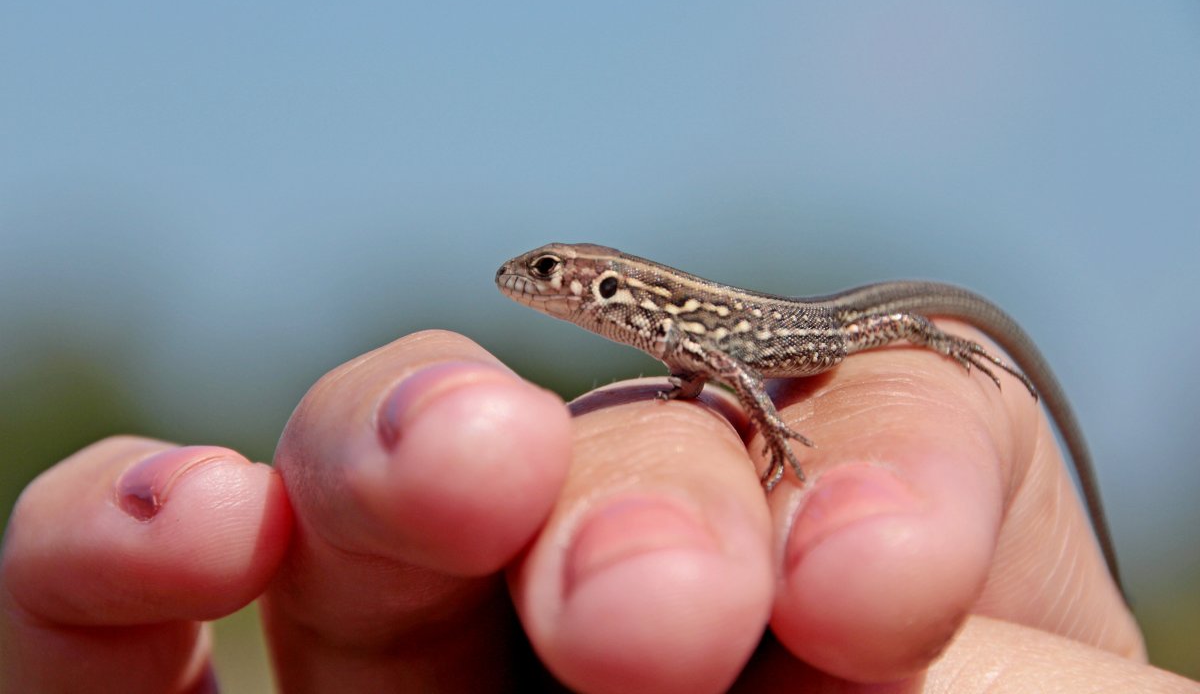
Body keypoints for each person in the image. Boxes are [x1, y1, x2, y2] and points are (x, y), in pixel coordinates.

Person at [0, 329, 1187, 693]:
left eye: (554, 280)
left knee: (916, 351)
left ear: (604, 294)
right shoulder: (672, 345)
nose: (540, 297)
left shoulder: (702, 332)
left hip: (841, 339)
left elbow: (752, 386)